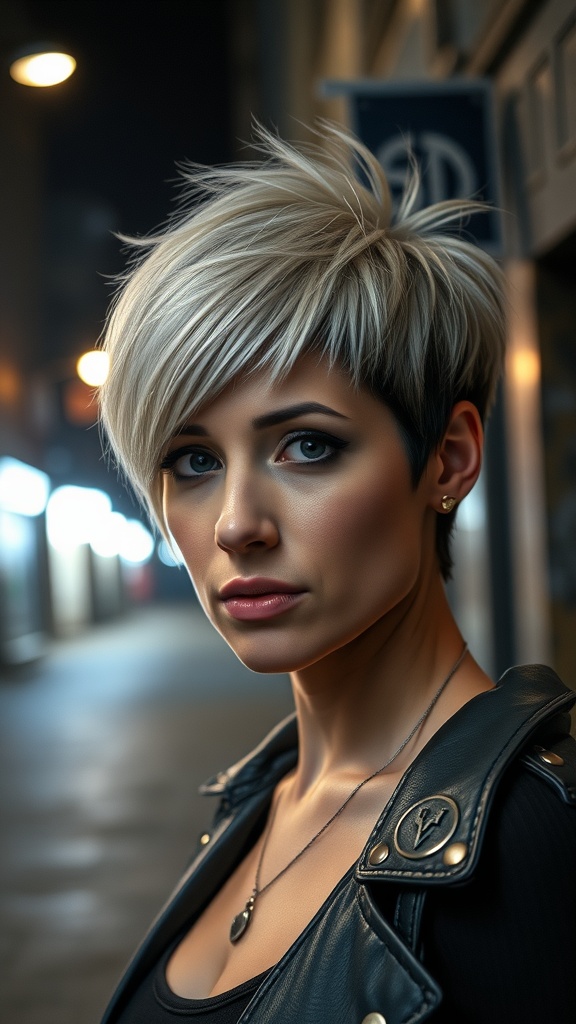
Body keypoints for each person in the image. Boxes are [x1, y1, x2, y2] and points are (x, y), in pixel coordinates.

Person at [98, 124, 576, 1024]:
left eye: (307, 446)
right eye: (193, 461)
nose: (237, 523)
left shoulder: (533, 841)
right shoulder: (258, 797)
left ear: (448, 459)